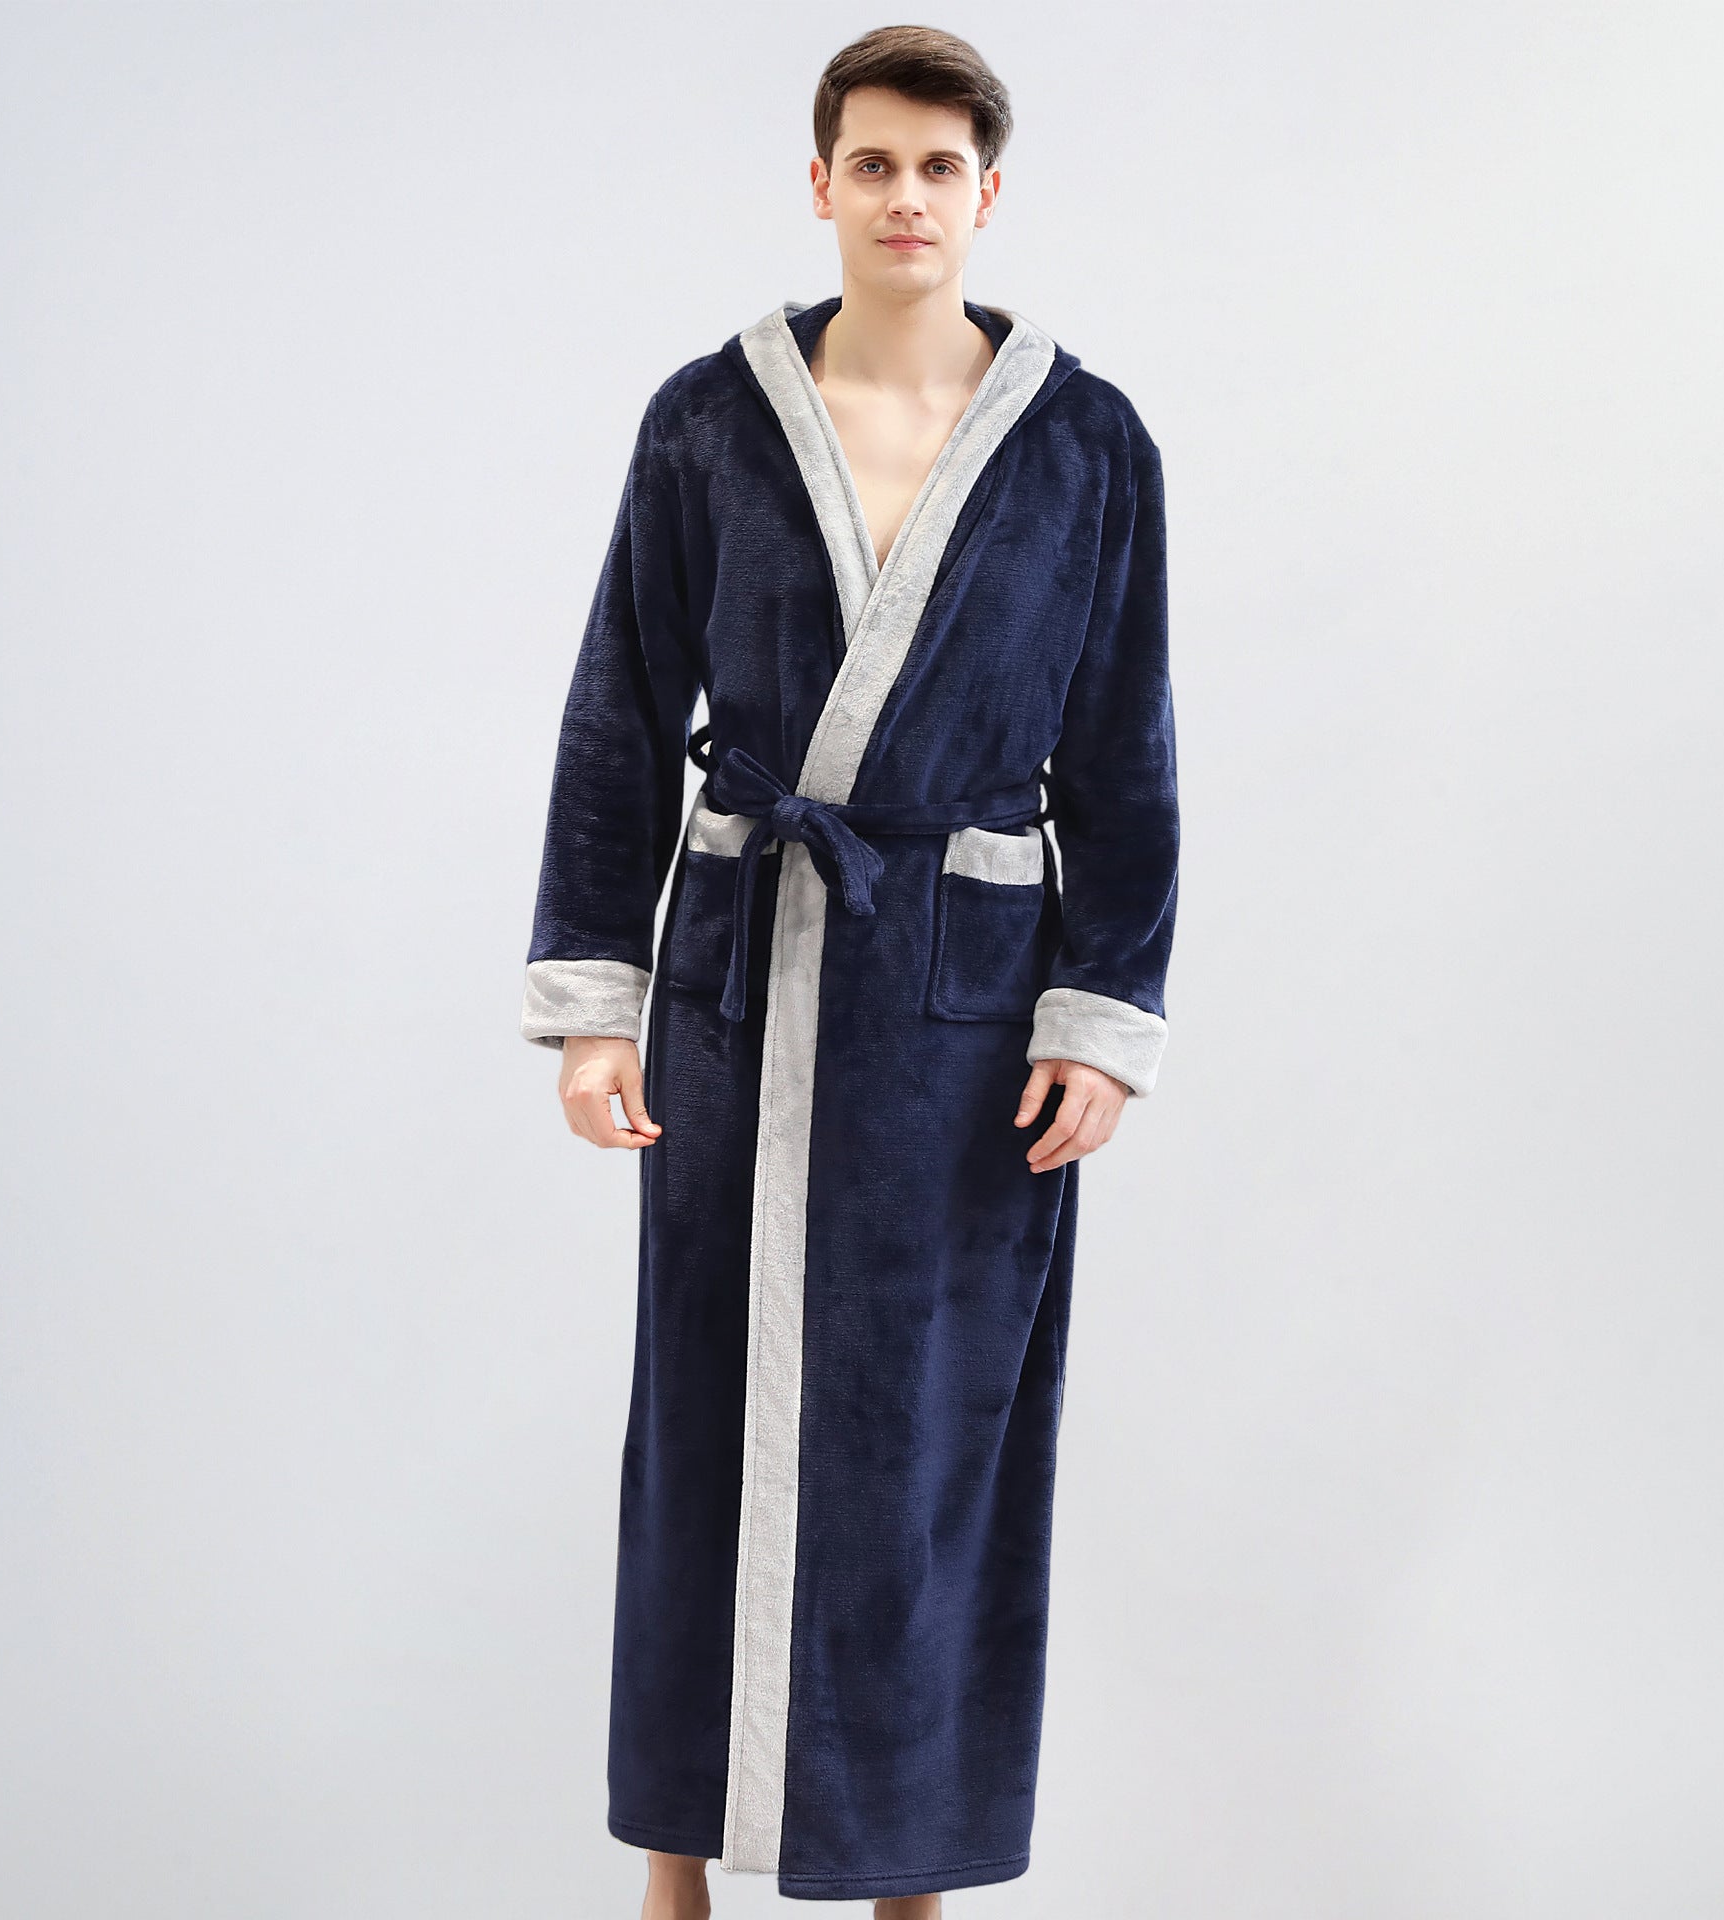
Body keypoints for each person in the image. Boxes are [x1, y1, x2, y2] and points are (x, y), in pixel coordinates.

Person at [518, 24, 1178, 1918]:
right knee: (705, 1418)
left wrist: (1103, 1019)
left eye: (938, 167)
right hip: (741, 991)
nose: (905, 197)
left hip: (962, 1018)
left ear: (989, 192)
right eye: (872, 164)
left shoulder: (1086, 444)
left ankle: (910, 1881)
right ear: (822, 183)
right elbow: (621, 717)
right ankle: (674, 1874)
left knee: (936, 1443)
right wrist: (596, 1005)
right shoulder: (706, 422)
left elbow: (1124, 753)